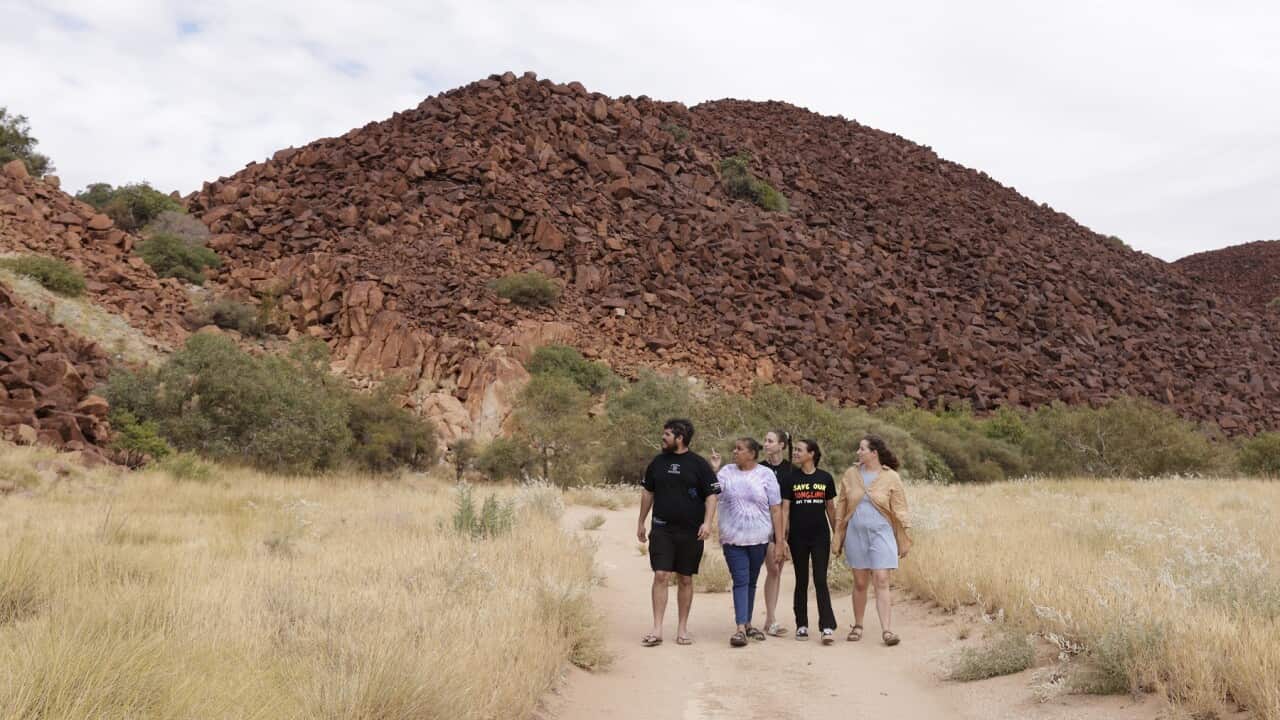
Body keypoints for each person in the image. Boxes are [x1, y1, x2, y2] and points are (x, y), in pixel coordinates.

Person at [637, 418, 720, 647]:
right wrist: (641, 522)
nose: (662, 438)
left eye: (667, 435)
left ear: (680, 438)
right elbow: (647, 493)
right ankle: (657, 629)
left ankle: (682, 629)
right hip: (662, 528)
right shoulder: (657, 462)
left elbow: (711, 495)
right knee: (661, 575)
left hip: (691, 532)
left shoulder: (699, 464)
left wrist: (707, 523)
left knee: (685, 578)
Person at [834, 434, 912, 646]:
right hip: (856, 534)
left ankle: (887, 630)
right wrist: (838, 533)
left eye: (862, 449)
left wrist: (903, 536)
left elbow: (901, 508)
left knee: (882, 579)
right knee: (860, 582)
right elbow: (841, 505)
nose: (858, 452)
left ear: (873, 453)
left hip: (881, 533)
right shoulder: (851, 474)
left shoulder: (891, 477)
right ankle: (858, 625)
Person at [714, 437, 784, 647]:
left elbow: (776, 508)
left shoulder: (766, 474)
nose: (735, 452)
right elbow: (713, 493)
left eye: (739, 449)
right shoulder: (726, 472)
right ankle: (739, 629)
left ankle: (748, 624)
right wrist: (714, 470)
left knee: (752, 581)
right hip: (733, 537)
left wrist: (779, 541)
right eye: (734, 448)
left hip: (759, 538)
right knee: (741, 580)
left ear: (752, 454)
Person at [782, 438, 838, 644]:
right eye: (794, 449)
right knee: (801, 580)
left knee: (821, 580)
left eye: (799, 450)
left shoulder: (825, 478)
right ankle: (802, 625)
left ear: (811, 454)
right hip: (797, 537)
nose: (795, 453)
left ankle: (827, 626)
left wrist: (838, 536)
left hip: (820, 537)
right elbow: (785, 510)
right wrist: (783, 539)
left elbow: (831, 509)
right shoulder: (790, 479)